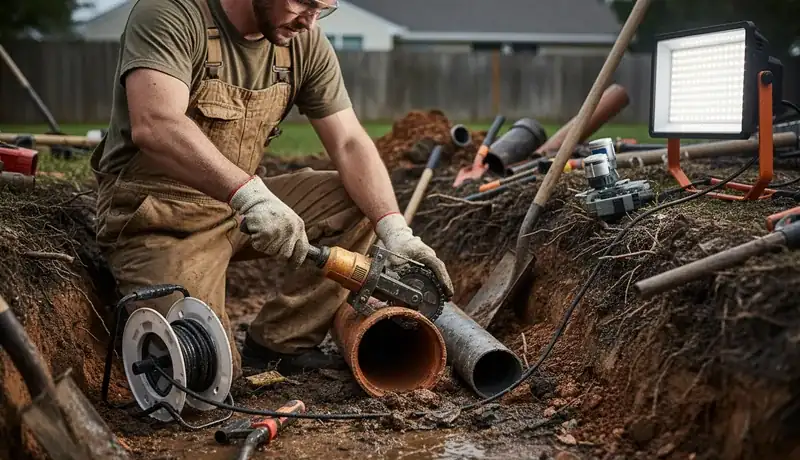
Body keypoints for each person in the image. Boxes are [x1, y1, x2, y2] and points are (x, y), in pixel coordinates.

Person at [90, 0, 453, 379]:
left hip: (238, 206)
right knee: (206, 375)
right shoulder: (171, 13)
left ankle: (281, 342)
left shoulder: (303, 41)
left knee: (359, 201)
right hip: (160, 215)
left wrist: (395, 229)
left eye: (323, 8)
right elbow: (156, 124)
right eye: (304, 3)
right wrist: (249, 195)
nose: (310, 21)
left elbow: (349, 142)